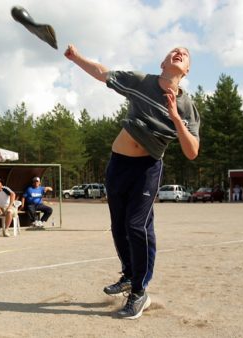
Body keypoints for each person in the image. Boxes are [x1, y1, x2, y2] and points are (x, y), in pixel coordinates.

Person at [65, 45, 200, 319]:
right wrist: (76, 57)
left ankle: (139, 292)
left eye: (184, 54)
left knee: (136, 225)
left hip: (148, 167)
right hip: (118, 164)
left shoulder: (187, 107)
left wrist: (176, 119)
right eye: (173, 51)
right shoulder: (142, 82)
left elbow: (192, 151)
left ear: (186, 70)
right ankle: (129, 275)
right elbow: (103, 73)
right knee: (118, 226)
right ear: (163, 62)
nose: (178, 53)